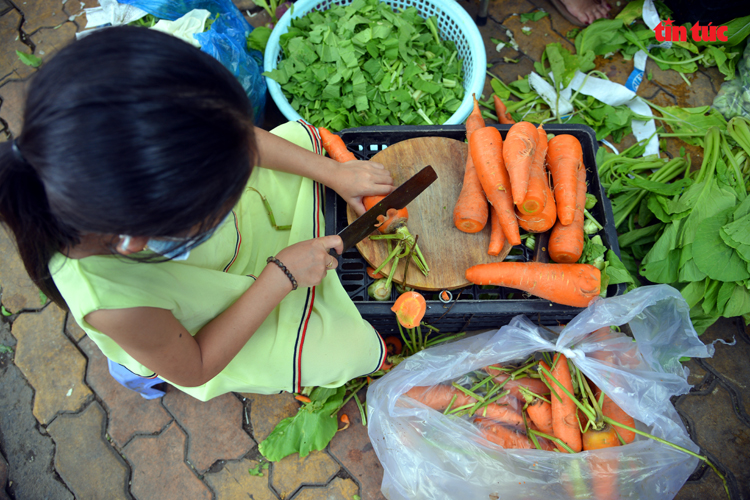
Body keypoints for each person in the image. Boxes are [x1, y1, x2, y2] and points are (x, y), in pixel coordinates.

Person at [0, 26, 395, 401]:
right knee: (342, 348)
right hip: (202, 323)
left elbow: (235, 137)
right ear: (141, 240)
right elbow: (196, 366)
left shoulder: (122, 151)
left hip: (231, 249)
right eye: (221, 196)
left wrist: (334, 170)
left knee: (295, 142)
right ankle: (139, 367)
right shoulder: (113, 303)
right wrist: (282, 275)